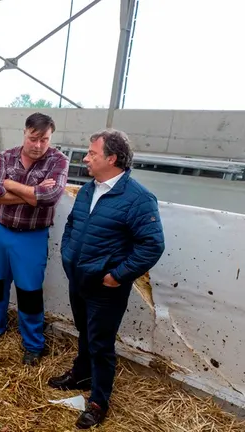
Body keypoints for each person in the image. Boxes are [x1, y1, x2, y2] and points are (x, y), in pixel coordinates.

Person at [49, 129, 165, 429]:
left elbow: (152, 245)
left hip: (106, 287)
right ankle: (81, 374)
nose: (86, 158)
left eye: (93, 154)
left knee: (101, 344)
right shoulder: (89, 189)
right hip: (79, 279)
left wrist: (118, 275)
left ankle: (99, 400)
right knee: (84, 333)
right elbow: (73, 225)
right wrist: (68, 255)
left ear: (112, 158)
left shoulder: (138, 199)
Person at [0, 112, 69, 365]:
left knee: (29, 291)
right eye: (34, 138)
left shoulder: (58, 161)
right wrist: (33, 194)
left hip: (31, 237)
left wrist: (12, 185)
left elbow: (50, 197)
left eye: (44, 139)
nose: (39, 145)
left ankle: (33, 343)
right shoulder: (6, 156)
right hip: (0, 231)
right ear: (25, 132)